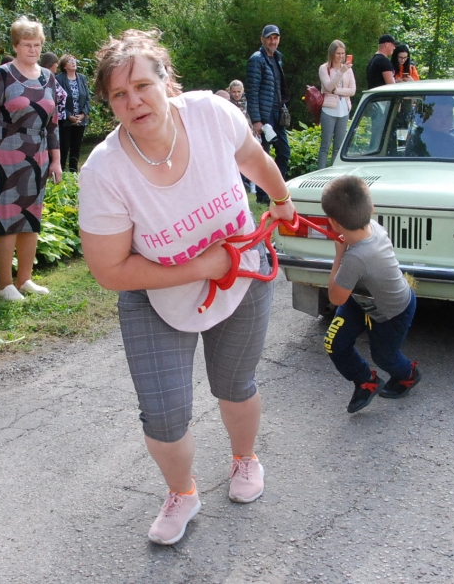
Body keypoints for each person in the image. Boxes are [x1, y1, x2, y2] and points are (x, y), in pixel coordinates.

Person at [78, 29, 296, 546]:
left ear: (167, 82)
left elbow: (252, 159)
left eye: (142, 87)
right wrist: (202, 266)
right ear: (110, 104)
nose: (134, 102)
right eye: (119, 95)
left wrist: (281, 198)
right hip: (157, 294)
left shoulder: (210, 113)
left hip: (243, 271)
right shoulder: (104, 169)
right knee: (164, 410)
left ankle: (245, 461)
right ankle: (183, 492)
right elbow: (111, 271)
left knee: (234, 383)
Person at [0, 17, 62, 301]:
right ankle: (4, 284)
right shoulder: (3, 74)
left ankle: (25, 279)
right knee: (6, 217)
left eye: (37, 45)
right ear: (16, 46)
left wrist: (56, 161)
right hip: (4, 153)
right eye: (27, 45)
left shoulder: (48, 77)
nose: (33, 49)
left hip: (37, 155)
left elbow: (53, 123)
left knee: (30, 217)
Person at [321, 176, 420, 413]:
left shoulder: (356, 258)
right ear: (371, 209)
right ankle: (366, 380)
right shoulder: (373, 226)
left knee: (384, 357)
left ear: (333, 223)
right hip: (362, 299)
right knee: (334, 343)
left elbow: (335, 298)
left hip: (392, 311)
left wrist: (339, 254)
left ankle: (408, 375)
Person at [246, 24, 291, 204]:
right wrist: (256, 120)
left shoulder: (277, 58)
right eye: (270, 38)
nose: (273, 41)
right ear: (262, 39)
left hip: (277, 114)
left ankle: (277, 190)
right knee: (263, 156)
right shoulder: (257, 59)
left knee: (284, 153)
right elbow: (252, 90)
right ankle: (263, 196)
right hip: (265, 116)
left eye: (276, 38)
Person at [318, 40, 356, 168]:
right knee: (325, 145)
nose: (341, 56)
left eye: (343, 53)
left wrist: (337, 91)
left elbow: (352, 90)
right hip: (329, 109)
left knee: (338, 146)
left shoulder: (348, 69)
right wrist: (340, 72)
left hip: (344, 109)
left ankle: (334, 174)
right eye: (338, 53)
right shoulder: (324, 68)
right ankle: (320, 173)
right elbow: (328, 86)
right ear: (332, 53)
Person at [55, 54, 92, 173]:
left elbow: (87, 99)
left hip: (80, 120)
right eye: (70, 61)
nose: (73, 62)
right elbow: (56, 100)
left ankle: (73, 174)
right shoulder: (59, 79)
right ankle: (61, 175)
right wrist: (68, 115)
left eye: (74, 60)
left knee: (76, 149)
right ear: (64, 66)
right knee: (64, 148)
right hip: (65, 120)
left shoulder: (82, 78)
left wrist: (83, 114)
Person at [41, 51, 67, 126]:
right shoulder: (45, 78)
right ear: (50, 63)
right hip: (50, 118)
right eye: (56, 62)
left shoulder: (52, 77)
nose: (57, 65)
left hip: (58, 117)